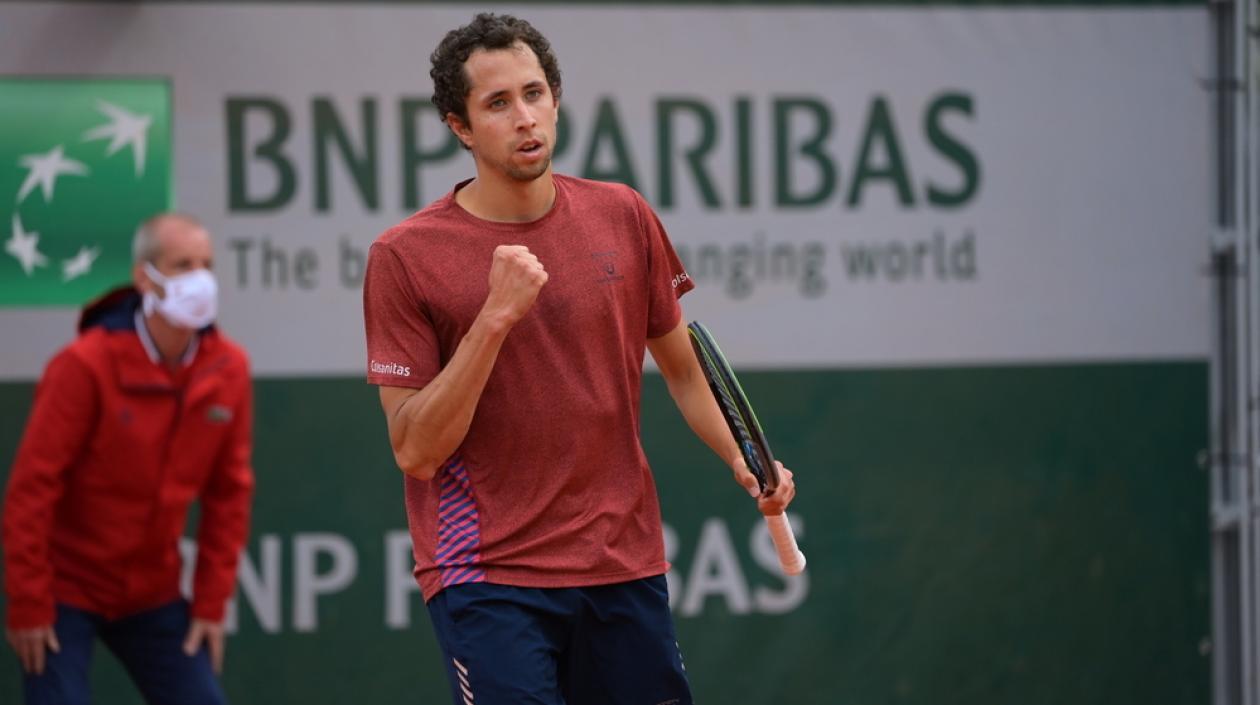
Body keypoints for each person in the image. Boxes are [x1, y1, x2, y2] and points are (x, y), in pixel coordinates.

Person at [362, 13, 796, 705]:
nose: (524, 117)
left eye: (535, 94)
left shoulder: (624, 215)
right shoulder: (403, 257)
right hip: (488, 575)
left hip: (623, 563)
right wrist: (494, 319)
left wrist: (740, 456)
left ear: (556, 100)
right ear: (460, 127)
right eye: (497, 103)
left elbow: (683, 369)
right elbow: (414, 448)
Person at [2, 213, 253, 705]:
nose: (199, 278)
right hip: (64, 591)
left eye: (207, 265)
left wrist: (209, 605)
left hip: (153, 593)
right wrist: (29, 603)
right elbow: (33, 488)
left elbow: (230, 494)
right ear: (145, 277)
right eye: (182, 264)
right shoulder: (83, 365)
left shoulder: (229, 367)